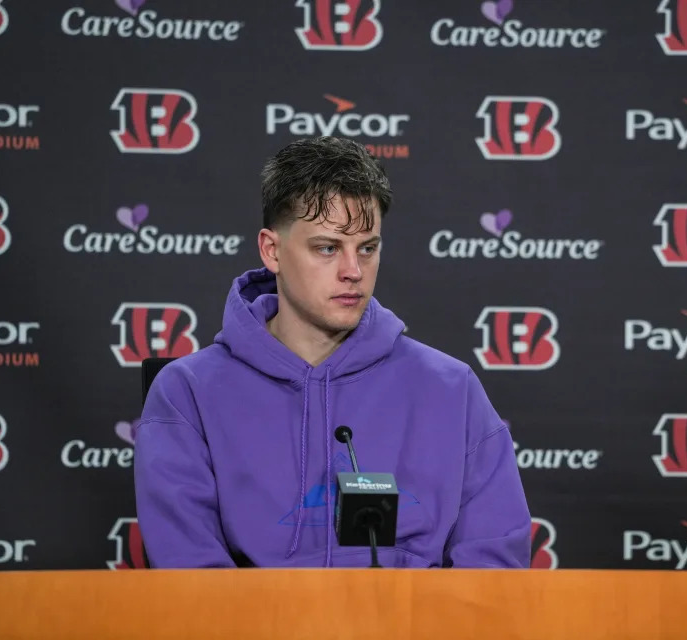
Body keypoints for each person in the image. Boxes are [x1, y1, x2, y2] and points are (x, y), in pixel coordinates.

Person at [134, 136, 532, 568]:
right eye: (327, 248)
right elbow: (189, 577)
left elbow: (494, 567)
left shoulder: (452, 388)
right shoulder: (187, 392)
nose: (353, 272)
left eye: (368, 248)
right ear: (272, 250)